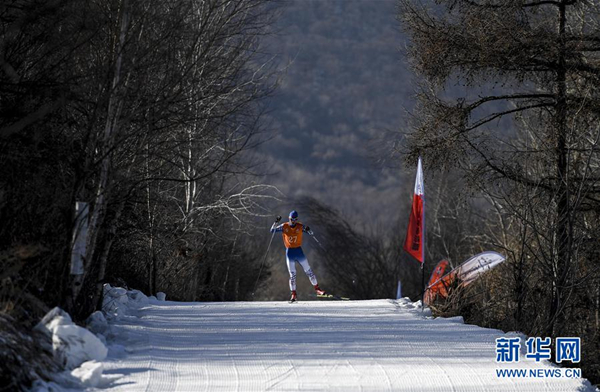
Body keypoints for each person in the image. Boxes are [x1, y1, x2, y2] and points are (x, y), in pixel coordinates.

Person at [271, 210, 326, 302]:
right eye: (292, 219)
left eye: (295, 219)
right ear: (289, 218)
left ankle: (317, 289)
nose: (294, 221)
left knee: (309, 271)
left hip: (298, 251)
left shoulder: (300, 226)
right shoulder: (284, 226)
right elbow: (272, 230)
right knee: (292, 275)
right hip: (290, 252)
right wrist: (276, 222)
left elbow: (311, 233)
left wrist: (309, 230)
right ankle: (293, 295)